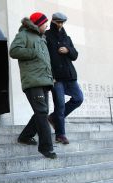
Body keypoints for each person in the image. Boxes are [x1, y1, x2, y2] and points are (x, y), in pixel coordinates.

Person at [9, 12, 56, 159]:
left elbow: (45, 61)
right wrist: (33, 51)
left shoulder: (42, 38)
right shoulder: (24, 34)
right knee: (42, 113)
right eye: (45, 23)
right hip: (33, 81)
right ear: (37, 24)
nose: (47, 25)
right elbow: (13, 50)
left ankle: (25, 136)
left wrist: (51, 77)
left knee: (42, 112)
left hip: (44, 80)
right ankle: (46, 148)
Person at [45, 12, 84, 144]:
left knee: (78, 98)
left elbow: (75, 55)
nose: (60, 24)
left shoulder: (67, 38)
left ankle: (54, 118)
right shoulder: (46, 36)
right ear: (53, 21)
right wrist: (51, 76)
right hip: (56, 78)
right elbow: (44, 59)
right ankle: (60, 134)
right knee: (60, 105)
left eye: (62, 22)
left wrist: (68, 50)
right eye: (58, 22)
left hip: (70, 76)